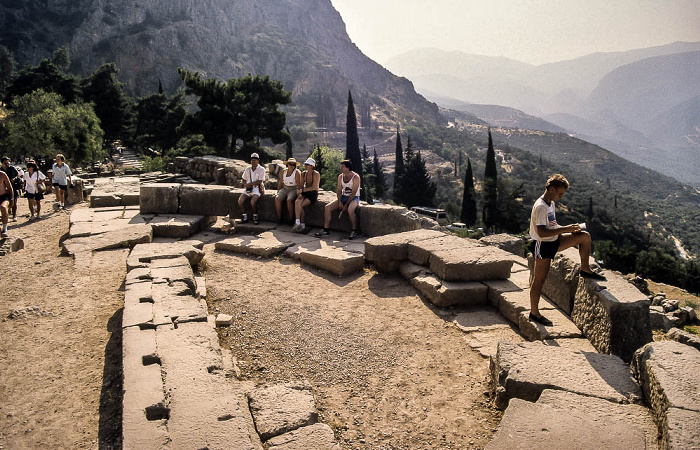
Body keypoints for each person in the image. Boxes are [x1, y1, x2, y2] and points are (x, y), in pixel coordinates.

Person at [529, 174, 606, 326]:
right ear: (551, 189)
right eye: (560, 193)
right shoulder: (541, 207)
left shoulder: (550, 203)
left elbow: (552, 226)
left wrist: (571, 229)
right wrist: (565, 229)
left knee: (584, 237)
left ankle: (585, 269)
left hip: (554, 241)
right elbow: (542, 233)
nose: (560, 197)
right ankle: (534, 313)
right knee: (539, 280)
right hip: (543, 245)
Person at [315, 159, 360, 239]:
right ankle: (326, 229)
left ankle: (354, 230)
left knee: (350, 210)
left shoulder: (356, 177)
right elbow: (339, 190)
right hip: (343, 196)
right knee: (327, 207)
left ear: (348, 168)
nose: (341, 168)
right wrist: (339, 201)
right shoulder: (340, 176)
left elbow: (353, 193)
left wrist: (346, 205)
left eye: (342, 166)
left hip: (354, 198)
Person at [293, 157, 320, 233]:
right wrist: (301, 192)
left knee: (301, 205)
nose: (306, 166)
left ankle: (302, 224)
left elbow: (315, 187)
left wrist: (302, 190)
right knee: (297, 201)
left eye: (307, 165)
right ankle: (298, 222)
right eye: (306, 164)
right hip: (306, 191)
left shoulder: (316, 174)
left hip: (312, 193)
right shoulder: (303, 173)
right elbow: (301, 185)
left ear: (312, 166)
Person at [237, 152, 266, 225]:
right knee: (240, 201)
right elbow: (243, 179)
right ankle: (244, 216)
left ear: (258, 161)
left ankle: (255, 216)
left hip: (256, 188)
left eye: (255, 160)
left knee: (253, 202)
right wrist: (245, 185)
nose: (253, 161)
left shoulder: (261, 169)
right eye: (252, 160)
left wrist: (250, 184)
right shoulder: (248, 169)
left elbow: (260, 181)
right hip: (248, 189)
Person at [275, 157, 301, 224]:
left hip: (293, 189)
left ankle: (291, 218)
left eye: (293, 164)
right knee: (277, 198)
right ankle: (279, 218)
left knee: (289, 200)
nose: (291, 166)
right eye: (290, 164)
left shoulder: (297, 172)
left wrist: (300, 193)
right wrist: (278, 191)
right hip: (285, 188)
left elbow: (299, 185)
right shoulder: (284, 171)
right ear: (287, 164)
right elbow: (280, 182)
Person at [0, 156, 23, 221]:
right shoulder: (1, 170)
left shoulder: (12, 168)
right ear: (2, 163)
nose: (7, 165)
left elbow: (18, 175)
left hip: (13, 186)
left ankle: (14, 216)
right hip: (4, 189)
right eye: (5, 163)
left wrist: (14, 178)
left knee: (14, 202)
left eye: (8, 163)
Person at [0, 165, 13, 237]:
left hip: (4, 196)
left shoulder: (2, 174)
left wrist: (12, 199)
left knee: (3, 208)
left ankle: (5, 228)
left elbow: (9, 187)